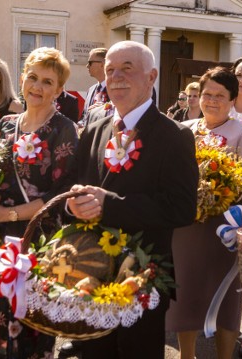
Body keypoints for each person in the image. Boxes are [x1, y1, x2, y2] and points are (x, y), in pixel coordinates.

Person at [65, 40, 198, 359]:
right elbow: (77, 184)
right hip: (92, 272)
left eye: (127, 68)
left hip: (143, 277)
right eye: (110, 70)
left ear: (151, 77)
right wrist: (72, 204)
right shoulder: (95, 127)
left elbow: (182, 208)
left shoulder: (174, 135)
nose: (116, 77)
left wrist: (109, 204)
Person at [0, 47, 78, 358]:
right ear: (21, 78)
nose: (37, 87)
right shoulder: (5, 125)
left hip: (36, 243)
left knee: (30, 323)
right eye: (32, 78)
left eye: (47, 81)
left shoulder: (64, 129)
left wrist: (6, 213)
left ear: (58, 89)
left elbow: (60, 195)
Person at [166, 67, 242, 359]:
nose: (211, 100)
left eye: (219, 96)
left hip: (223, 230)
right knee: (185, 294)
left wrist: (224, 187)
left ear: (233, 99)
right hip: (186, 228)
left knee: (226, 301)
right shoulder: (186, 129)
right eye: (206, 94)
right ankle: (188, 355)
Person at [79, 47, 108, 127]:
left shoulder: (115, 90)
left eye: (90, 62)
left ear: (102, 65)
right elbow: (84, 116)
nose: (87, 66)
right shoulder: (91, 90)